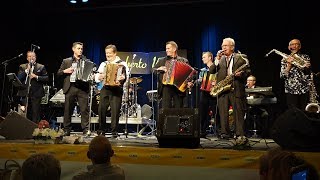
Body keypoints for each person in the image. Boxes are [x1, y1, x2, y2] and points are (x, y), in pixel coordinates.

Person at [209, 37, 251, 139]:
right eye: (222, 45)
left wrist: (241, 74)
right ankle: (225, 133)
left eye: (225, 45)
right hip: (223, 89)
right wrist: (217, 59)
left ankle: (239, 133)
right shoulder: (220, 59)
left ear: (232, 47)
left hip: (236, 88)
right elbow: (212, 71)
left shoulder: (241, 57)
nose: (223, 47)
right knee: (223, 113)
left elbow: (248, 71)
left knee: (238, 112)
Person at [57, 42, 91, 136]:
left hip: (82, 88)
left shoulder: (86, 61)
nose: (80, 50)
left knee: (84, 110)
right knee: (68, 109)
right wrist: (65, 71)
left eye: (81, 49)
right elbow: (59, 73)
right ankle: (67, 128)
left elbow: (90, 73)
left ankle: (85, 129)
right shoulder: (66, 61)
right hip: (70, 87)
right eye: (78, 48)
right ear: (73, 49)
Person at [95, 44, 127, 138]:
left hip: (117, 89)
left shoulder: (122, 63)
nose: (107, 55)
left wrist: (123, 77)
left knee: (115, 111)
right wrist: (99, 77)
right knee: (101, 109)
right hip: (105, 88)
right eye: (106, 53)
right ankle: (101, 129)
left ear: (115, 53)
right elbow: (97, 76)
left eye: (109, 53)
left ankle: (114, 130)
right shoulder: (104, 64)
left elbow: (126, 76)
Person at [153, 41, 192, 108]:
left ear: (174, 49)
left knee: (178, 109)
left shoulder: (183, 61)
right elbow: (153, 70)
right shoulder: (162, 60)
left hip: (178, 88)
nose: (166, 50)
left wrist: (189, 82)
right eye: (166, 49)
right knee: (166, 109)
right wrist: (159, 69)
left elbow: (189, 74)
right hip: (166, 88)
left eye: (168, 48)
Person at [17, 51, 49, 123]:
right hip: (25, 93)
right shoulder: (22, 66)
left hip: (36, 93)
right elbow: (18, 78)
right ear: (27, 58)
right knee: (25, 112)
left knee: (35, 112)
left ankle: (35, 129)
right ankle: (24, 129)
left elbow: (46, 78)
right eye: (30, 56)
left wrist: (36, 76)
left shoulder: (41, 67)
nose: (32, 58)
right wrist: (26, 71)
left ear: (35, 57)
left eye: (33, 56)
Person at [280, 39, 311, 111]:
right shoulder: (284, 59)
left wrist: (307, 68)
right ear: (289, 47)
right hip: (291, 89)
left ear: (300, 46)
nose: (294, 46)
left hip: (304, 89)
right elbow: (282, 76)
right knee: (293, 113)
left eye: (296, 44)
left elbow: (309, 73)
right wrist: (289, 65)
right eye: (292, 44)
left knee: (304, 112)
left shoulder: (305, 57)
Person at [198, 51, 219, 137]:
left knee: (216, 112)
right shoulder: (203, 70)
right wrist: (198, 81)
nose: (202, 59)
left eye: (204, 57)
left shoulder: (217, 68)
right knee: (203, 112)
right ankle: (202, 131)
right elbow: (200, 80)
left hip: (215, 92)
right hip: (204, 92)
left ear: (210, 58)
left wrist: (216, 83)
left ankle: (219, 131)